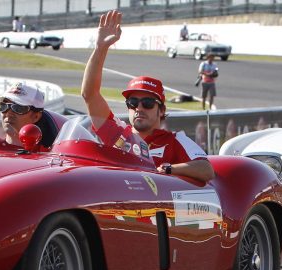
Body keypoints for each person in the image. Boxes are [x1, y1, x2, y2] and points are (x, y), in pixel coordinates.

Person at [81, 10, 214, 182]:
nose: (139, 108)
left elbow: (206, 169)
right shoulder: (116, 134)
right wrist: (100, 48)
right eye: (133, 102)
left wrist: (169, 169)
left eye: (148, 103)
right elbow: (89, 94)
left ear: (161, 110)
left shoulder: (175, 140)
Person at [0, 82, 66, 149]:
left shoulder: (46, 158)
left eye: (18, 108)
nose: (8, 113)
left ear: (36, 117)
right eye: (3, 106)